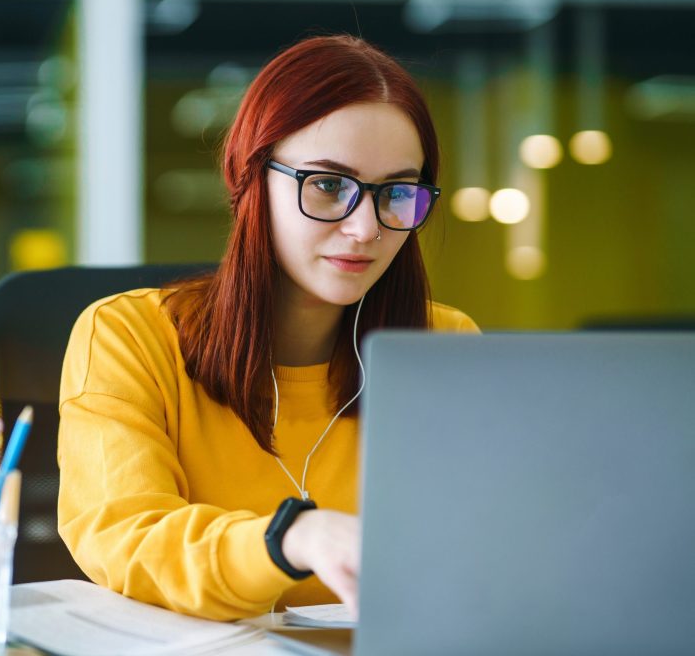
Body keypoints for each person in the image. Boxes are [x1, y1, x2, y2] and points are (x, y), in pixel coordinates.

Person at [56, 34, 479, 621]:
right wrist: (292, 538)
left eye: (397, 192)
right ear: (252, 179)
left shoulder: (443, 347)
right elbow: (130, 537)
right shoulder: (127, 336)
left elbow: (481, 544)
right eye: (329, 185)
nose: (365, 228)